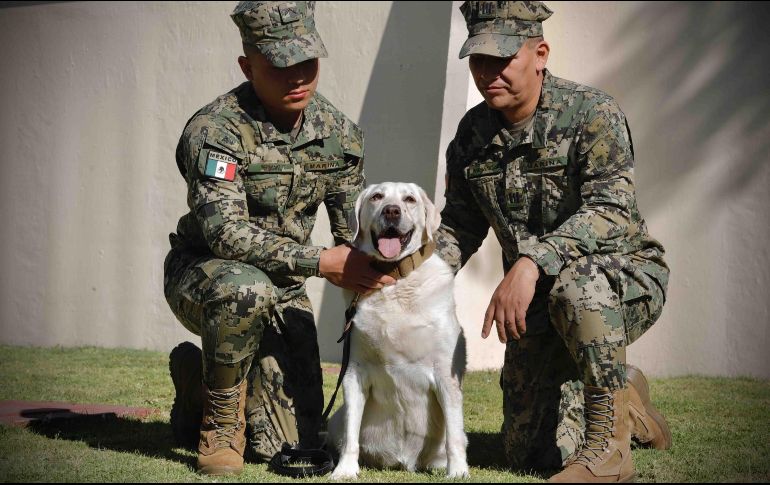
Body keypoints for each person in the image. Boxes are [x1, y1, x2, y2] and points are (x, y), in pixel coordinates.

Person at [435, 1, 672, 481]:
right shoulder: (472, 134)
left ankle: (610, 451)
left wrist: (530, 262)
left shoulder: (591, 113)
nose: (487, 72)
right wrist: (410, 277)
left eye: (502, 59)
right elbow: (459, 225)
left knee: (576, 286)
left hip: (619, 281)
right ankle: (625, 396)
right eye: (478, 60)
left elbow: (610, 210)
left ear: (540, 53)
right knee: (528, 455)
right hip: (541, 304)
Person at [163, 1, 394, 476]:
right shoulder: (217, 131)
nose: (297, 77)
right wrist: (319, 262)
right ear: (248, 66)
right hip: (207, 277)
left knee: (290, 446)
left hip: (284, 286)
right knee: (245, 286)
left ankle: (197, 388)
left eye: (307, 62)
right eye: (279, 65)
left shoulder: (340, 136)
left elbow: (352, 234)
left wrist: (382, 276)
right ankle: (221, 420)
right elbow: (223, 233)